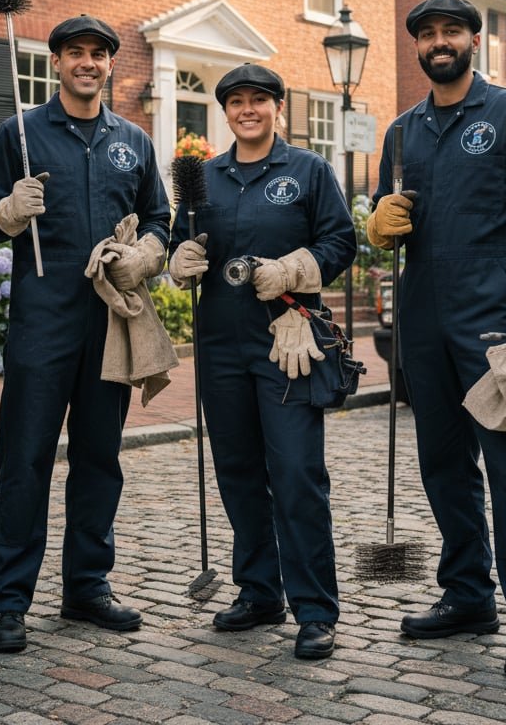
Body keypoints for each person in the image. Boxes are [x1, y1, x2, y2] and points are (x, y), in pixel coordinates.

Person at [367, 0, 506, 679]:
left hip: (496, 330)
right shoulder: (402, 132)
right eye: (427, 34)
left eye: (451, 30)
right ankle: (466, 596)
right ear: (418, 49)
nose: (440, 42)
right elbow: (385, 218)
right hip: (422, 327)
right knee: (444, 471)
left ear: (474, 41)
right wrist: (379, 221)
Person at [0, 14, 170, 654]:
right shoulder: (21, 134)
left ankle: (87, 586)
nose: (87, 62)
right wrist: (5, 212)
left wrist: (146, 254)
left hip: (110, 321)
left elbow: (162, 219)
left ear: (111, 64)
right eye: (75, 53)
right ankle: (7, 603)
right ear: (56, 62)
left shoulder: (132, 141)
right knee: (24, 462)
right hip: (42, 321)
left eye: (98, 54)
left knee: (98, 460)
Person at [167, 63, 356, 660]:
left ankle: (316, 608)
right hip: (220, 342)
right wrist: (180, 261)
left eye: (259, 100)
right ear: (225, 112)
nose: (247, 109)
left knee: (297, 474)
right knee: (239, 472)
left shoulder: (308, 171)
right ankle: (259, 591)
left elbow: (340, 242)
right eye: (236, 101)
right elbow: (180, 239)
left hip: (287, 341)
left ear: (278, 106)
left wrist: (295, 268)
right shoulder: (205, 178)